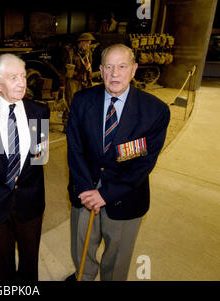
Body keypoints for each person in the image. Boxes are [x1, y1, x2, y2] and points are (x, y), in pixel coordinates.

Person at [65, 44, 170, 281]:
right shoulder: (82, 101)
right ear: (100, 71)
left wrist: (106, 195)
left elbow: (144, 164)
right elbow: (75, 150)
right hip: (85, 191)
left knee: (117, 255)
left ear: (133, 70)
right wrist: (85, 189)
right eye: (109, 67)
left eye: (122, 66)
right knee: (82, 247)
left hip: (126, 197)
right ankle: (84, 275)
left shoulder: (155, 111)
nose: (115, 74)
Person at [0, 53, 50, 281]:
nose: (22, 82)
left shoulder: (39, 112)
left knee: (29, 259)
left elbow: (40, 155)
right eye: (13, 77)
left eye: (23, 76)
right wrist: (3, 177)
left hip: (30, 201)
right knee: (2, 260)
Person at [61, 32, 98, 109]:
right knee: (72, 103)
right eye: (87, 43)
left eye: (89, 43)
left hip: (83, 81)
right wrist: (63, 84)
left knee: (82, 103)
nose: (88, 45)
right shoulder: (71, 52)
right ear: (81, 42)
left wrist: (89, 69)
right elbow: (65, 69)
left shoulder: (88, 53)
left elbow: (90, 64)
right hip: (73, 81)